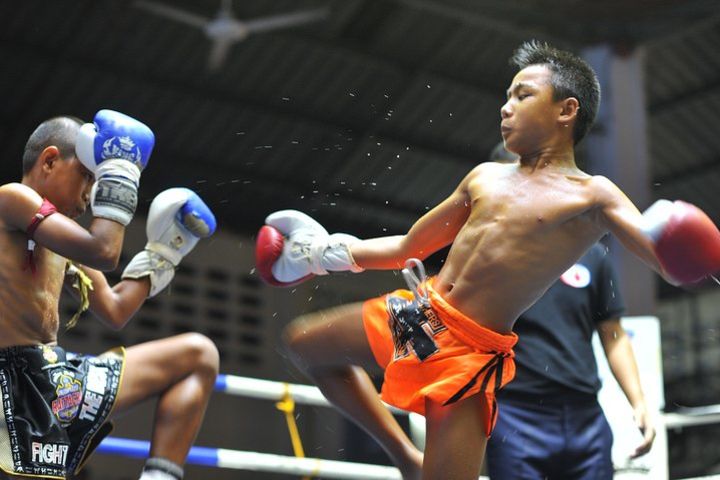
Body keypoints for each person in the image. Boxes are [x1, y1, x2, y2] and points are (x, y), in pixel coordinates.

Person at [256, 40, 720, 480]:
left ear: (566, 109)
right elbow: (408, 248)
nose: (506, 106)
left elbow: (665, 258)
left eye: (523, 94)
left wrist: (694, 250)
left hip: (472, 354)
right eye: (506, 96)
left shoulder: (592, 194)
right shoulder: (484, 178)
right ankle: (404, 456)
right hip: (421, 316)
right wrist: (322, 254)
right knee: (304, 343)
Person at [0, 111, 219, 480]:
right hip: (7, 382)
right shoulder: (12, 199)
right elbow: (104, 250)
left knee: (199, 355)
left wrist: (165, 253)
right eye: (87, 176)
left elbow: (116, 308)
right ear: (50, 161)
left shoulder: (63, 240)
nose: (89, 196)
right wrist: (120, 175)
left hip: (52, 379)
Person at [484, 143, 654, 479]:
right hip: (515, 413)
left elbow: (614, 334)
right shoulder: (485, 253)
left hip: (585, 415)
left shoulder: (591, 253)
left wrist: (639, 402)